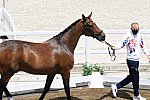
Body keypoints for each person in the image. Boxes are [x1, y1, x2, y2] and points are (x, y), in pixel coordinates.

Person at [111, 22, 150, 100]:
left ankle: (116, 86)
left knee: (132, 77)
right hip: (131, 59)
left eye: (138, 29)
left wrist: (148, 55)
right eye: (135, 29)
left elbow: (143, 46)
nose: (136, 30)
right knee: (135, 77)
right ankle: (136, 95)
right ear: (131, 28)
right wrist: (115, 47)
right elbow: (122, 44)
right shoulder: (128, 36)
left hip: (137, 59)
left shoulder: (139, 35)